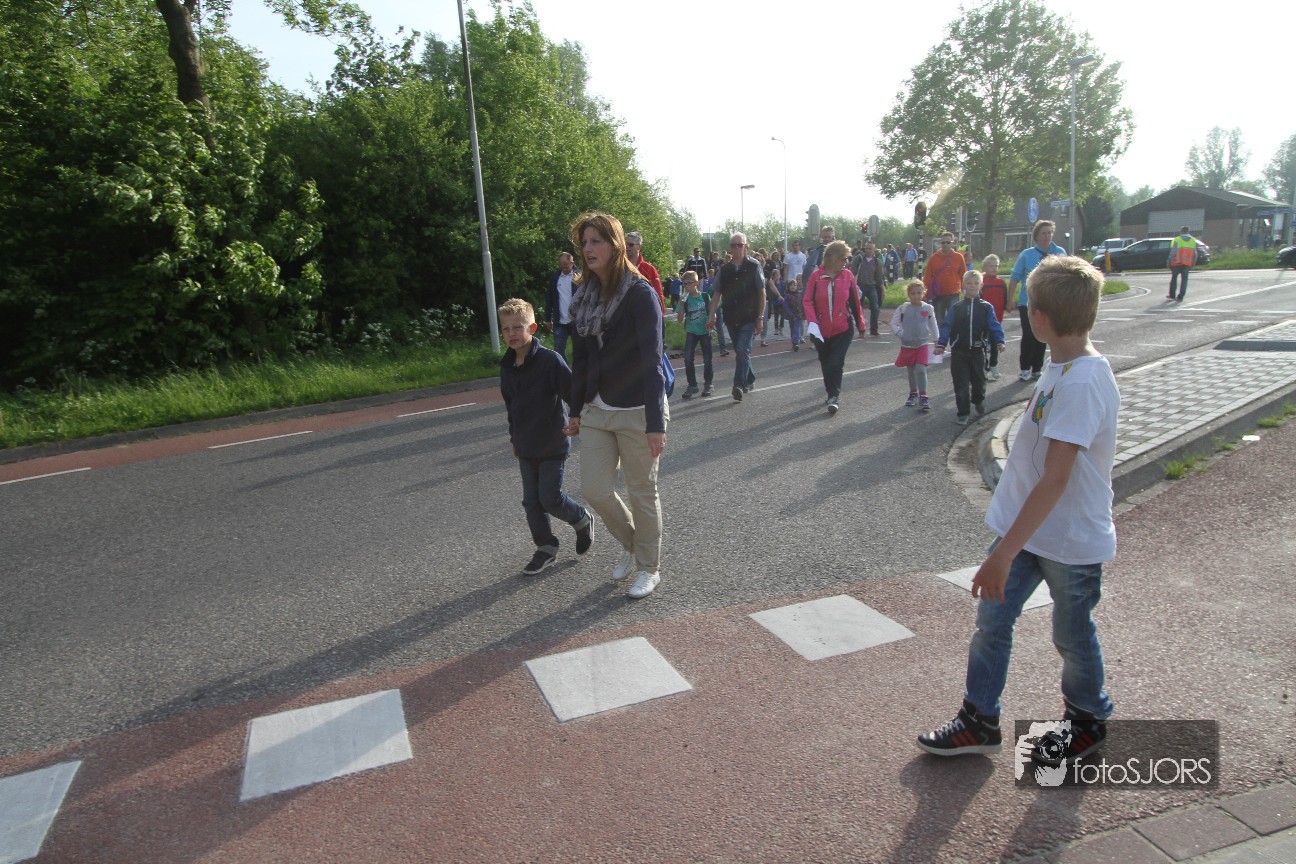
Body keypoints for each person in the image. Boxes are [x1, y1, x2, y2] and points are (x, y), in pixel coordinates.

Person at [917, 255, 1119, 767]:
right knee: (992, 622)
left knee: (1071, 635)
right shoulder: (1062, 364)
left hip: (1068, 540)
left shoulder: (1081, 382)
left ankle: (1087, 720)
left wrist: (1003, 554)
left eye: (1027, 306)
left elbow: (1056, 478)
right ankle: (979, 720)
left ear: (1039, 318)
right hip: (1030, 532)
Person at [564, 212, 668, 600]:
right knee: (595, 490)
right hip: (597, 407)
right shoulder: (583, 294)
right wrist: (575, 409)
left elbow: (651, 360)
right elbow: (581, 359)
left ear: (616, 244)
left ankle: (649, 568)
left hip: (638, 408)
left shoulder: (640, 294)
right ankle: (633, 545)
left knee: (642, 492)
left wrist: (655, 423)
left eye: (596, 241)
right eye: (585, 243)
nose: (588, 249)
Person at [498, 298, 594, 576]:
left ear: (532, 328)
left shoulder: (549, 360)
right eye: (506, 329)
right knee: (531, 501)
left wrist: (576, 418)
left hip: (552, 441)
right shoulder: (507, 366)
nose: (512, 334)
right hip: (525, 444)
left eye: (518, 327)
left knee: (549, 498)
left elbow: (571, 391)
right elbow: (511, 406)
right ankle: (546, 547)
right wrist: (514, 438)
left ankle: (581, 518)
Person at [803, 240, 866, 415]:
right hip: (820, 330)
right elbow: (807, 301)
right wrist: (813, 322)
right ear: (832, 258)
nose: (846, 262)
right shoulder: (816, 277)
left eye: (847, 258)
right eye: (843, 258)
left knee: (836, 362)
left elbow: (855, 302)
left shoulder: (848, 276)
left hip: (843, 328)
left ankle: (834, 397)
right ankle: (830, 391)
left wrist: (861, 324)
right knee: (825, 362)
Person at [934, 270, 1005, 426]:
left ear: (981, 285)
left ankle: (978, 400)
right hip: (959, 352)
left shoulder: (986, 307)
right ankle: (963, 412)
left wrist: (1000, 341)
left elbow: (994, 325)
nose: (972, 286)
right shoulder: (956, 307)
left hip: (978, 352)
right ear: (963, 285)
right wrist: (941, 344)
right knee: (961, 385)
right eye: (969, 283)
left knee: (979, 383)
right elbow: (947, 326)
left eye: (976, 283)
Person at [708, 232, 766, 403]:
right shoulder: (724, 270)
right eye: (733, 245)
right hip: (731, 317)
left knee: (742, 350)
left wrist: (760, 317)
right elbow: (716, 293)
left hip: (749, 316)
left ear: (746, 247)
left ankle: (738, 386)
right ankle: (750, 377)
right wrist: (711, 315)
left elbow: (762, 293)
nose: (736, 248)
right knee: (742, 352)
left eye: (739, 245)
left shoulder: (754, 266)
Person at [1008, 220, 1066, 381]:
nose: (1047, 236)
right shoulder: (1027, 255)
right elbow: (1015, 278)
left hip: (1049, 302)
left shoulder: (1060, 252)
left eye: (1049, 232)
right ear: (1037, 236)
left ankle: (1037, 368)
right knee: (1029, 335)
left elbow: (1066, 276)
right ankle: (1025, 368)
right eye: (1043, 233)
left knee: (1043, 335)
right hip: (1028, 302)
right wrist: (1010, 299)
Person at [890, 280, 938, 412]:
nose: (916, 296)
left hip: (922, 344)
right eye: (912, 293)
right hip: (907, 345)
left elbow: (933, 325)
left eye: (918, 293)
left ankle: (924, 396)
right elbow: (893, 323)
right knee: (911, 371)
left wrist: (937, 341)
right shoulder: (903, 308)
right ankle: (913, 393)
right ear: (908, 294)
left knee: (921, 369)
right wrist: (900, 333)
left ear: (924, 293)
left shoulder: (928, 308)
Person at [675, 270, 713, 398]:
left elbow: (712, 312)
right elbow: (680, 319)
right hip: (691, 331)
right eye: (684, 284)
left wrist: (711, 320)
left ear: (696, 283)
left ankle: (708, 384)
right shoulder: (685, 300)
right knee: (688, 358)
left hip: (704, 331)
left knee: (707, 359)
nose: (686, 286)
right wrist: (681, 305)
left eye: (689, 283)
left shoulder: (704, 296)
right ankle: (692, 385)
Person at [923, 232, 967, 327]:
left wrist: (966, 291)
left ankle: (953, 336)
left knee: (954, 320)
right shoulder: (933, 258)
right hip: (938, 295)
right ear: (940, 243)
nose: (945, 245)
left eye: (948, 242)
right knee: (939, 321)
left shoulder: (959, 257)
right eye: (943, 242)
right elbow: (927, 277)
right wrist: (924, 294)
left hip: (954, 294)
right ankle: (941, 337)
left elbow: (964, 276)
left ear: (953, 243)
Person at [544, 252, 579, 361]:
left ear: (572, 263)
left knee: (579, 350)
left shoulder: (580, 277)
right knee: (558, 351)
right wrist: (547, 318)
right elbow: (549, 298)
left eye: (566, 266)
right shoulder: (555, 278)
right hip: (560, 321)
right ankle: (565, 370)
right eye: (561, 266)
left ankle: (578, 370)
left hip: (577, 321)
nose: (563, 268)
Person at [980, 254, 1008, 381]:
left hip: (997, 318)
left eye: (996, 266)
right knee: (984, 345)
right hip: (983, 319)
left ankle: (994, 364)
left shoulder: (1001, 283)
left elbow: (1004, 299)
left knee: (996, 342)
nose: (994, 268)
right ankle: (985, 368)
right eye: (991, 266)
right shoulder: (982, 283)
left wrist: (1007, 306)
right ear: (985, 267)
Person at [851, 241, 886, 336]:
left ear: (874, 250)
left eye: (870, 249)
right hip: (860, 287)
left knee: (875, 307)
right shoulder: (859, 259)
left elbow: (879, 277)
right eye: (867, 248)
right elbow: (852, 273)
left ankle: (874, 330)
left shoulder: (877, 262)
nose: (868, 250)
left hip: (871, 287)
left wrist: (883, 289)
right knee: (859, 309)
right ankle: (861, 330)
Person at [625, 231, 665, 311]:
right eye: (625, 244)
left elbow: (658, 292)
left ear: (639, 246)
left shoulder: (649, 269)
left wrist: (661, 312)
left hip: (643, 309)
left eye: (631, 244)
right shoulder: (618, 266)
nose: (627, 247)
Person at [1167, 226, 1199, 301]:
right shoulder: (1193, 240)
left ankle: (1172, 295)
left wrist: (1169, 261)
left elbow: (1173, 252)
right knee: (1184, 280)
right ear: (1188, 231)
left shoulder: (1177, 239)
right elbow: (1195, 253)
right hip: (1187, 263)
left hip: (1177, 262)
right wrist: (1194, 262)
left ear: (1181, 231)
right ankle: (1181, 296)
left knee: (1174, 278)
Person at [705, 266, 729, 356]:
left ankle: (722, 348)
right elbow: (709, 300)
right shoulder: (712, 288)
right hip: (713, 312)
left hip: (719, 311)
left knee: (719, 330)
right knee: (711, 331)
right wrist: (711, 311)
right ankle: (709, 349)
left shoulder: (719, 287)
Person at [761, 265, 783, 346]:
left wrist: (779, 295)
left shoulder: (766, 273)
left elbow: (772, 286)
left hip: (765, 299)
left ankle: (763, 339)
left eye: (761, 260)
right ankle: (751, 336)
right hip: (753, 300)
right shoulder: (750, 271)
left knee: (765, 320)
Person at [784, 278, 805, 351]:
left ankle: (796, 343)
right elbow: (785, 306)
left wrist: (804, 312)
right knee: (792, 329)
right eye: (791, 285)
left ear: (797, 286)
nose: (793, 287)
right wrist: (790, 314)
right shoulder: (787, 295)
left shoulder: (800, 294)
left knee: (796, 329)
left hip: (799, 315)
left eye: (794, 285)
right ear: (789, 286)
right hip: (791, 315)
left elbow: (803, 303)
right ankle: (794, 343)